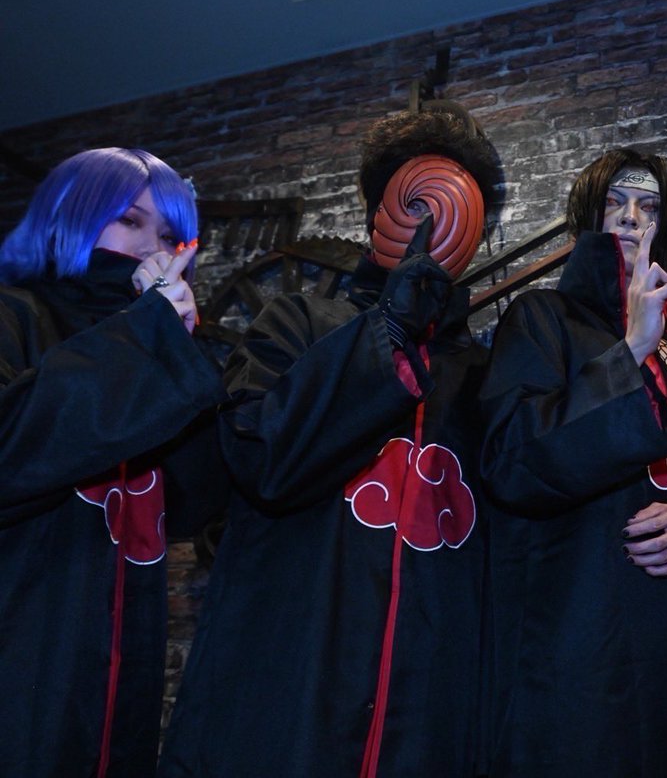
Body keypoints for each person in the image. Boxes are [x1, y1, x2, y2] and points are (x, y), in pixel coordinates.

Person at [159, 110, 501, 777]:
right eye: (419, 203)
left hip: (427, 708)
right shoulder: (297, 324)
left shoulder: (484, 377)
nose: (435, 225)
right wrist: (387, 330)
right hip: (290, 685)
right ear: (382, 213)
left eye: (455, 209)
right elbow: (261, 458)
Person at [479, 148, 667, 778]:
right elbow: (514, 460)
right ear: (588, 219)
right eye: (614, 203)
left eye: (648, 207)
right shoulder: (542, 319)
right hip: (578, 622)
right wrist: (630, 349)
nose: (629, 218)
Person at [0, 147, 226, 777]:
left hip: (119, 667)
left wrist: (179, 350)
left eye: (171, 236)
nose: (152, 247)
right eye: (129, 220)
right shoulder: (13, 314)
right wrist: (146, 338)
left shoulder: (149, 340)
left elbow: (196, 502)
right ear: (70, 215)